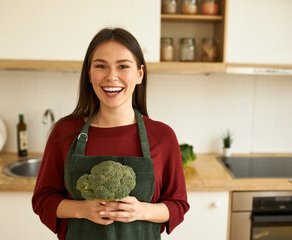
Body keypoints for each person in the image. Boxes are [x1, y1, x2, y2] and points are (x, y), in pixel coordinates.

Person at [32, 27, 189, 240]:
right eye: (100, 66)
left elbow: (178, 205)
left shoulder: (162, 136)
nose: (111, 77)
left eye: (123, 66)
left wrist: (141, 211)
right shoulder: (65, 133)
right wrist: (82, 209)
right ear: (89, 74)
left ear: (139, 74)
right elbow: (43, 200)